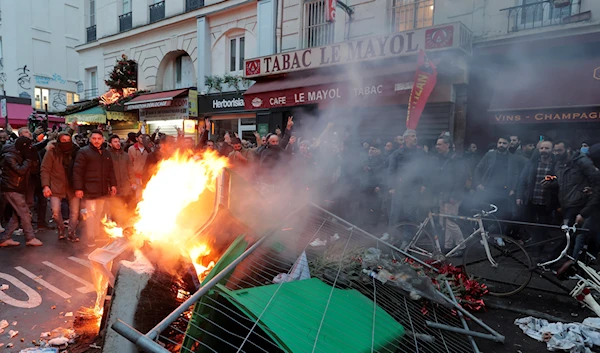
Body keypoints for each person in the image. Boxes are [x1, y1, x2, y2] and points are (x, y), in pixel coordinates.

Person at [551, 141, 600, 259]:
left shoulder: (582, 162)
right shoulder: (558, 164)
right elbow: (561, 183)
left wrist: (585, 212)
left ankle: (569, 263)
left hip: (581, 204)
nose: (556, 153)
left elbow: (597, 184)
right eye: (555, 150)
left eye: (559, 150)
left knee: (577, 235)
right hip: (567, 203)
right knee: (575, 235)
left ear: (568, 149)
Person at [381, 129, 427, 245]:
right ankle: (391, 235)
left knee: (410, 214)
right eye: (412, 136)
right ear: (406, 139)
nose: (415, 138)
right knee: (394, 213)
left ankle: (407, 240)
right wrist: (391, 186)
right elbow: (391, 171)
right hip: (399, 188)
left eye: (415, 136)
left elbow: (425, 170)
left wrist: (423, 184)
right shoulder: (397, 153)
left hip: (413, 189)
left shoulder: (420, 153)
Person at [73, 130, 117, 247]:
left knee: (99, 214)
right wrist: (78, 188)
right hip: (89, 190)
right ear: (90, 139)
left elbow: (110, 171)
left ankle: (96, 234)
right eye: (94, 138)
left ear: (103, 140)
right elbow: (78, 171)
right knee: (90, 215)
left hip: (102, 190)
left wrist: (113, 185)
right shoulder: (83, 152)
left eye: (99, 138)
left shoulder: (106, 153)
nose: (96, 141)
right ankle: (90, 237)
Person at [474, 136, 523, 234]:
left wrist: (513, 188)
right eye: (499, 143)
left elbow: (515, 174)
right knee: (486, 213)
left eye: (504, 143)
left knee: (503, 214)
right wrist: (478, 183)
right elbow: (478, 169)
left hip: (504, 190)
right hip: (488, 189)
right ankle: (484, 234)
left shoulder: (513, 158)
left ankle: (498, 235)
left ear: (509, 145)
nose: (501, 145)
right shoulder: (489, 155)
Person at [0, 137, 43, 247]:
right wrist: (28, 160)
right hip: (12, 188)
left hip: (16, 187)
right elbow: (20, 170)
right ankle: (30, 237)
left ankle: (5, 238)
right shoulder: (10, 156)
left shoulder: (17, 152)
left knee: (17, 215)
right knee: (24, 213)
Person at [516, 140, 556, 251]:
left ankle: (539, 248)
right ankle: (531, 243)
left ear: (552, 150)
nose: (544, 150)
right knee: (528, 223)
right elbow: (522, 180)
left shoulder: (555, 164)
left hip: (546, 201)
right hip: (531, 199)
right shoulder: (532, 163)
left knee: (544, 225)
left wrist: (552, 182)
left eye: (547, 148)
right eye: (542, 148)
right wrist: (519, 196)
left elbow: (559, 180)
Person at [41, 132, 81, 241]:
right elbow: (45, 169)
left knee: (75, 212)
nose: (66, 143)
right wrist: (46, 185)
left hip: (73, 185)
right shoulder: (52, 152)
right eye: (63, 140)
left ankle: (72, 233)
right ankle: (61, 228)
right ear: (59, 141)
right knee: (55, 211)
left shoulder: (76, 152)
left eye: (68, 140)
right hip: (56, 185)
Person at [432, 135, 468, 255]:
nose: (437, 147)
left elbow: (461, 178)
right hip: (443, 194)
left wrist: (454, 195)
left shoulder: (456, 159)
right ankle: (448, 246)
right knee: (445, 222)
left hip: (452, 196)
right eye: (437, 144)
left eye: (440, 144)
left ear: (447, 145)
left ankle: (461, 245)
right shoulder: (440, 158)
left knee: (451, 222)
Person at [107, 135, 136, 224]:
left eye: (118, 141)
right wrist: (108, 186)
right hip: (114, 187)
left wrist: (133, 182)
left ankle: (126, 226)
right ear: (110, 144)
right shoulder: (107, 155)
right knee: (115, 209)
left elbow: (130, 169)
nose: (118, 143)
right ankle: (115, 228)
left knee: (127, 208)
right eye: (115, 142)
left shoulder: (125, 155)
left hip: (125, 186)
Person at [128, 133, 149, 201]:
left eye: (144, 137)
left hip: (146, 177)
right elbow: (129, 164)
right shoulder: (131, 149)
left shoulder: (148, 149)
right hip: (136, 177)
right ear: (136, 138)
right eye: (141, 137)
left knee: (147, 195)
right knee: (137, 196)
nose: (143, 139)